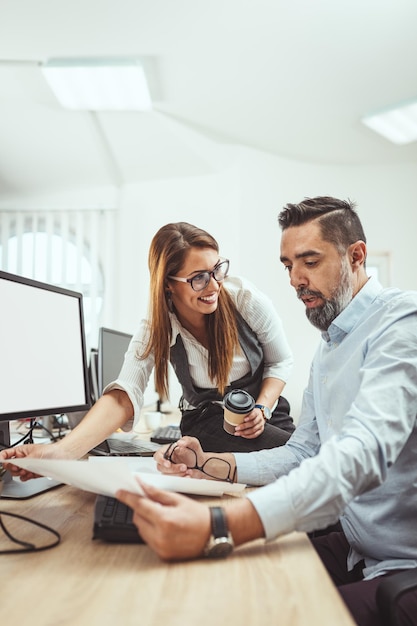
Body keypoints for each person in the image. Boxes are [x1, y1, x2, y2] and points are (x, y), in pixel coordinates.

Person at [110, 197, 416, 626]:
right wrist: (208, 463)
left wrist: (219, 523)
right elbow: (302, 454)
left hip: (402, 567)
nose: (295, 280)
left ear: (357, 256)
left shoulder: (403, 323)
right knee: (227, 592)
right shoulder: (331, 348)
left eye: (309, 261)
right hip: (355, 548)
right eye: (288, 265)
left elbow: (360, 455)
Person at [0, 222, 294, 474]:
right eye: (199, 278)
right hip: (208, 422)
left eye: (217, 269)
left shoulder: (244, 298)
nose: (214, 285)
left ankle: (205, 464)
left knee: (304, 453)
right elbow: (124, 394)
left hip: (263, 410)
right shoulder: (157, 325)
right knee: (296, 460)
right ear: (168, 284)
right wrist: (61, 452)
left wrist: (262, 407)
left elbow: (280, 361)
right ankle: (206, 463)